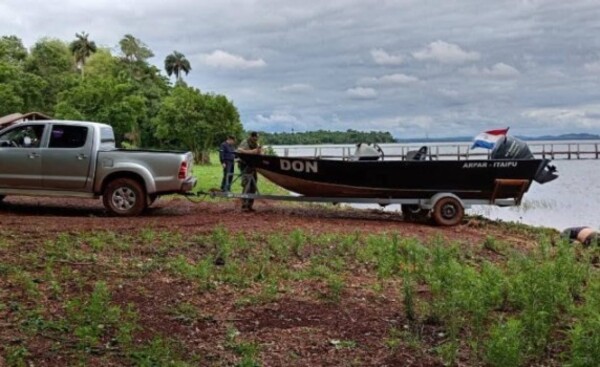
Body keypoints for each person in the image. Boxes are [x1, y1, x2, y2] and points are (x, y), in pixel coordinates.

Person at [237, 131, 262, 212]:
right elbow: (239, 150)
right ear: (252, 136)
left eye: (257, 138)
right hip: (245, 165)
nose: (257, 139)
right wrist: (252, 151)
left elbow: (258, 153)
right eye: (256, 137)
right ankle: (244, 205)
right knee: (246, 184)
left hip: (252, 166)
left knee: (253, 185)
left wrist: (259, 151)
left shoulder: (256, 143)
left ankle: (250, 205)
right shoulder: (245, 142)